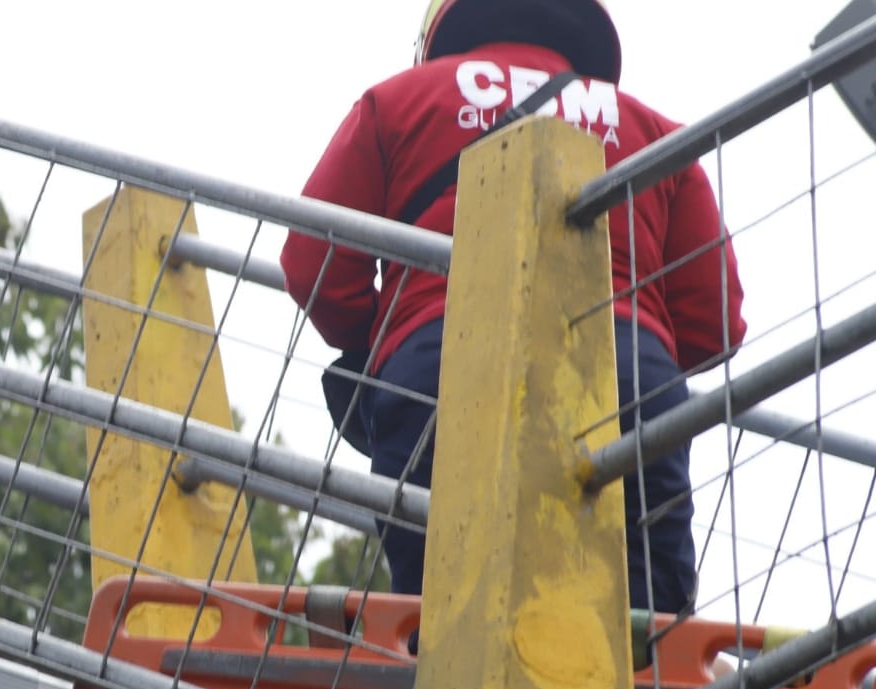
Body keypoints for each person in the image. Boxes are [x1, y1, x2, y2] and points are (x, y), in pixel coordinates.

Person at [280, 0, 747, 620]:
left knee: (443, 622)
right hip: (628, 378)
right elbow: (714, 323)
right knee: (648, 634)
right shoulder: (658, 134)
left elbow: (312, 261)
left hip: (439, 368)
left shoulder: (394, 102)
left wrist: (387, 334)